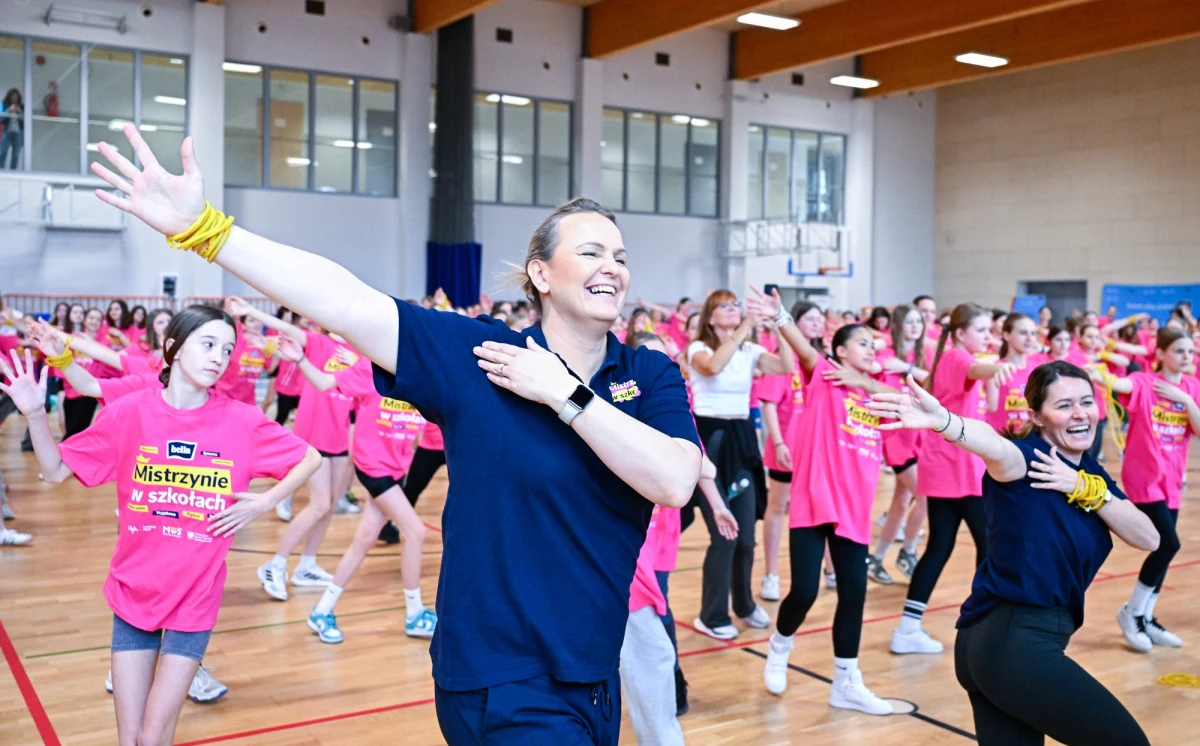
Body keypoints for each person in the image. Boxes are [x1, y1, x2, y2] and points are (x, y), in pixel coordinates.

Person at [90, 125, 702, 745]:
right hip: (500, 679)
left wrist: (564, 392)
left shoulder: (647, 374)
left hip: (594, 677)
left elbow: (674, 481)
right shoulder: (480, 357)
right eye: (593, 252)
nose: (613, 268)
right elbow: (345, 301)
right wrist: (208, 231)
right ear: (541, 275)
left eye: (621, 258)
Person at [2, 307, 320, 746]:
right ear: (172, 347)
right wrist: (36, 413)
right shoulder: (131, 412)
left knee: (153, 738)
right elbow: (55, 470)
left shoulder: (242, 421)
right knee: (129, 739)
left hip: (195, 597)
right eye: (207, 344)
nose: (218, 358)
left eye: (226, 350)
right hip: (134, 590)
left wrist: (265, 501)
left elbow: (310, 457)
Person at [870, 361, 1157, 746]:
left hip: (992, 645)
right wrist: (945, 422)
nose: (1079, 413)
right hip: (1015, 644)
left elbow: (1148, 537)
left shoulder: (1089, 473)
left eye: (1086, 402)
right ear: (1036, 416)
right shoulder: (1025, 461)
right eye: (1064, 405)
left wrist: (1086, 488)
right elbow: (992, 444)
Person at [749, 288, 899, 714]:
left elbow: (909, 399)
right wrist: (780, 317)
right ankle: (779, 646)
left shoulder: (877, 391)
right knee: (806, 591)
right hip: (816, 498)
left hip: (856, 506)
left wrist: (867, 381)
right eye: (863, 342)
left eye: (875, 343)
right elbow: (802, 347)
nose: (872, 348)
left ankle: (846, 682)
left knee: (854, 593)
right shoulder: (825, 376)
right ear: (839, 350)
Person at [273, 334, 438, 642]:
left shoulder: (423, 382)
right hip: (372, 467)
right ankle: (415, 613)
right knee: (416, 531)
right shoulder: (369, 373)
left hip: (396, 469)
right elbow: (323, 383)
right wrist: (300, 359)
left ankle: (323, 609)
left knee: (363, 539)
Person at [890, 303, 1016, 655]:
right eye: (980, 330)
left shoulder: (946, 357)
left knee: (941, 546)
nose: (987, 336)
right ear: (960, 333)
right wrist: (1000, 367)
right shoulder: (959, 359)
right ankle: (983, 625)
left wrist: (994, 371)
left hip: (944, 465)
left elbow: (983, 393)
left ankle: (908, 628)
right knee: (989, 544)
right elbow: (978, 368)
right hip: (957, 469)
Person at [686, 289, 794, 640]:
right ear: (711, 317)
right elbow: (714, 367)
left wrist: (778, 322)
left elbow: (787, 367)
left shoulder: (750, 350)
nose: (734, 310)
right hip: (709, 439)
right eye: (725, 306)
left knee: (746, 536)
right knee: (724, 536)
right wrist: (748, 322)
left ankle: (744, 604)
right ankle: (711, 614)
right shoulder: (698, 349)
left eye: (737, 305)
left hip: (742, 437)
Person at [1103, 327, 1199, 652]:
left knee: (1164, 549)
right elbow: (1119, 384)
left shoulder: (1192, 387)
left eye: (1190, 352)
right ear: (1160, 354)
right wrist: (1095, 369)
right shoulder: (1145, 382)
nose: (1187, 357)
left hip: (1172, 478)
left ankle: (1146, 616)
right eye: (1179, 351)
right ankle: (1132, 613)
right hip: (1144, 476)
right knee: (1168, 544)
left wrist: (1186, 401)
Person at [758, 301, 824, 600]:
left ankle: (830, 568)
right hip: (788, 448)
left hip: (817, 452)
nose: (817, 323)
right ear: (793, 322)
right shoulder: (782, 358)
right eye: (810, 318)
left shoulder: (822, 360)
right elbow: (768, 404)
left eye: (820, 318)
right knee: (777, 507)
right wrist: (780, 441)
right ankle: (770, 574)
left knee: (820, 508)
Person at [867, 304, 931, 584]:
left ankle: (876, 558)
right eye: (910, 321)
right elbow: (869, 385)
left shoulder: (922, 356)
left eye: (919, 320)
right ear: (898, 325)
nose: (916, 325)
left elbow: (935, 383)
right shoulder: (883, 355)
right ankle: (907, 551)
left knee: (901, 500)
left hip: (919, 436)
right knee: (926, 497)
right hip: (895, 438)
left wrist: (907, 367)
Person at [0, 88, 23, 169]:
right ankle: (1, 170)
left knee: (16, 154)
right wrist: (8, 110)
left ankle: (13, 172)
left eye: (16, 97)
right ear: (9, 97)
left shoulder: (22, 106)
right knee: (3, 152)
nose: (15, 99)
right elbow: (1, 118)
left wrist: (20, 113)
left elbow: (26, 121)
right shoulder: (3, 104)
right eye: (13, 97)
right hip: (7, 131)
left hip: (18, 132)